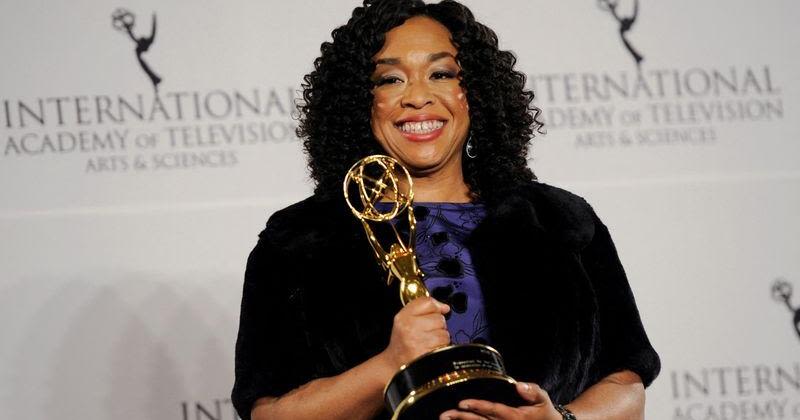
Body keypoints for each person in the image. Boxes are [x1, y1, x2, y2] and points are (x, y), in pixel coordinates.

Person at [231, 1, 660, 419]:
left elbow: (626, 385)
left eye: (441, 73)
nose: (418, 97)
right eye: (391, 79)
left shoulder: (561, 222)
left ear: (474, 92)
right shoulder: (300, 239)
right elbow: (270, 412)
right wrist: (389, 364)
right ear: (360, 102)